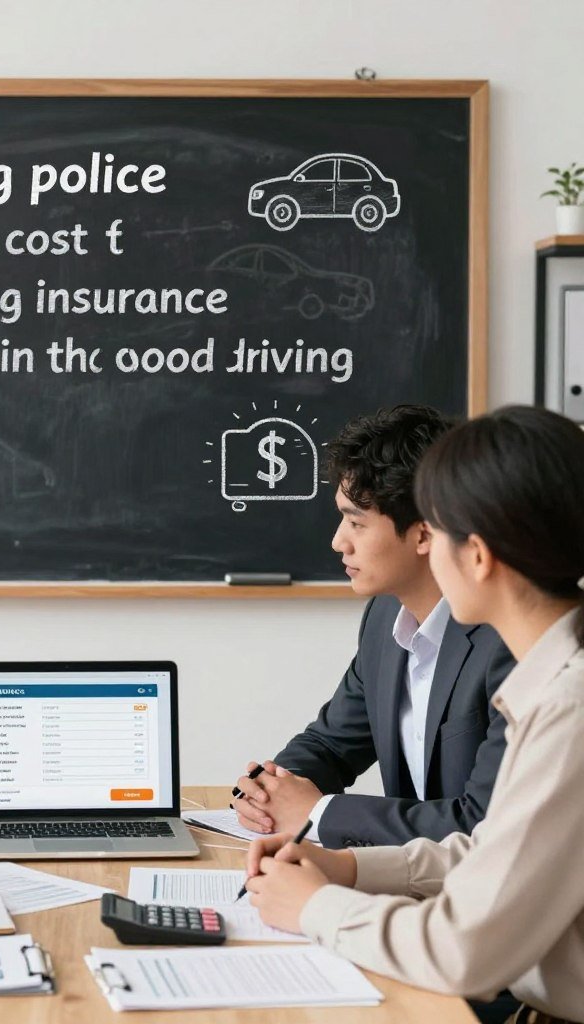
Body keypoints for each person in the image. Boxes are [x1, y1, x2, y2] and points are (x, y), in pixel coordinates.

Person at [246, 405, 584, 1024]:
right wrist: (348, 867)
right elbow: (491, 853)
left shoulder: (570, 707)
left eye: (441, 531)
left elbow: (467, 950)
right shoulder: (555, 680)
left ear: (474, 556)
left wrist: (315, 907)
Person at [232, 405, 515, 848]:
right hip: (410, 884)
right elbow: (331, 744)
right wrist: (272, 788)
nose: (337, 541)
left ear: (424, 534)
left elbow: (485, 824)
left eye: (356, 522)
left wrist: (315, 812)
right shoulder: (385, 617)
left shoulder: (509, 641)